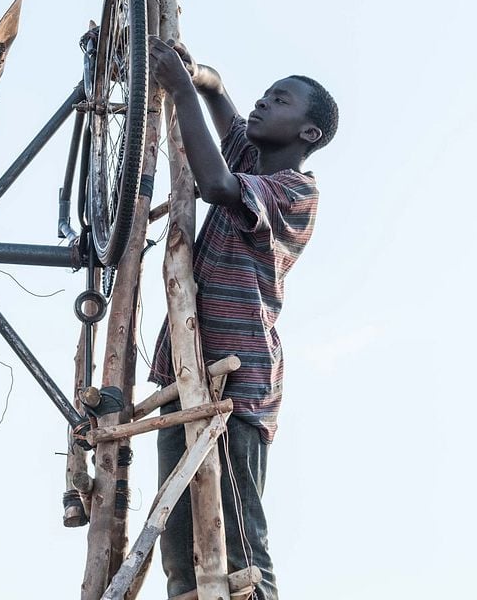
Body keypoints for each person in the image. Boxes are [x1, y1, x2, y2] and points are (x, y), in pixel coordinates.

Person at [147, 36, 339, 600]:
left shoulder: (295, 190)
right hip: (187, 370)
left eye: (279, 101)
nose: (262, 104)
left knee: (239, 554)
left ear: (310, 133)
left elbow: (214, 185)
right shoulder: (250, 155)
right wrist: (200, 77)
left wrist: (180, 88)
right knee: (181, 555)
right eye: (266, 96)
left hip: (238, 379)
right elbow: (224, 103)